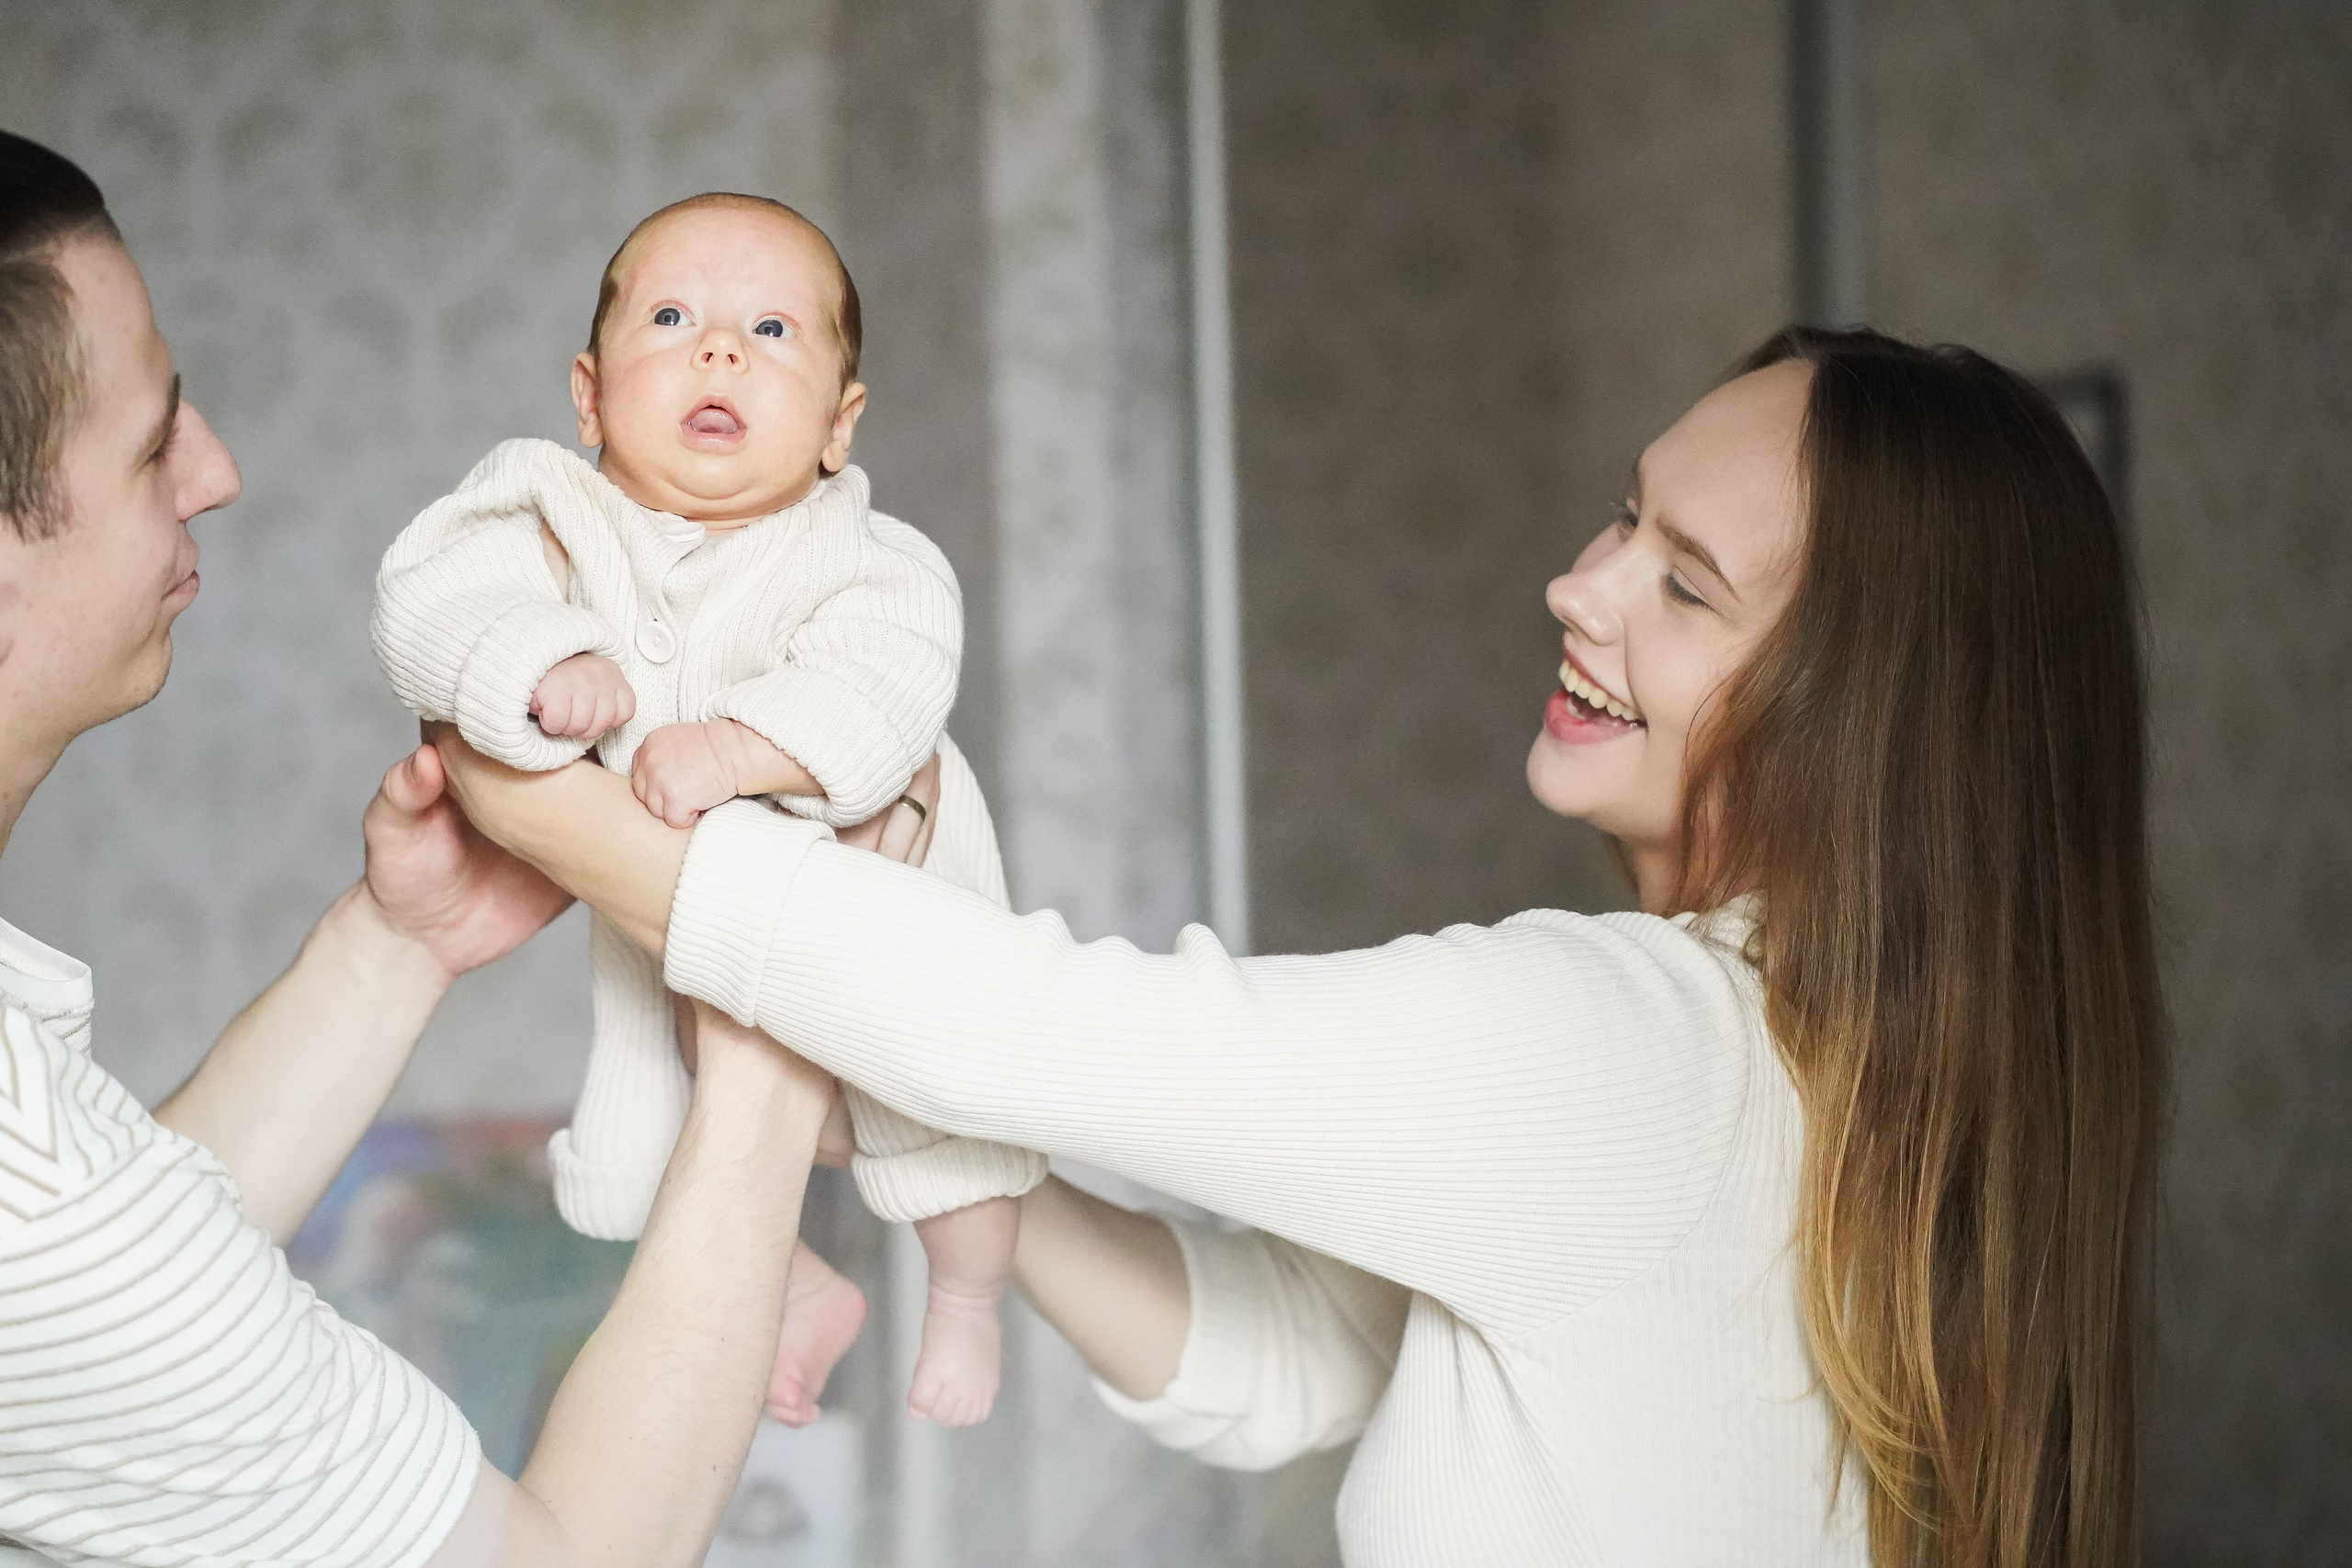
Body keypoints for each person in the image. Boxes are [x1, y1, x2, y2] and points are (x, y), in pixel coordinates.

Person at [439, 325, 2163, 1567]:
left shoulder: (1644, 1053)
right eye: (1626, 518)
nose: (1583, 587)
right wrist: (884, 1124)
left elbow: (1028, 1028)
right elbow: (1285, 1358)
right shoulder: (1819, 1069)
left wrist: (505, 751)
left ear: (1861, 720)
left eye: (1684, 586)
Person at [0, 130, 922, 1568]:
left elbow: (111, 1295)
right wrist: (771, 1057)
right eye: (153, 438)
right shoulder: (37, 1206)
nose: (219, 473)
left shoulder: (45, 1179)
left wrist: (399, 942)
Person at [371, 190, 1042, 1428]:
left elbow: (893, 671)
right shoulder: (547, 511)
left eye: (774, 330)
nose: (720, 349)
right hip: (678, 921)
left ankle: (964, 1301)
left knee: (949, 1121)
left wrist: (746, 746)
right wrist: (532, 660)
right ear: (587, 398)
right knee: (663, 1136)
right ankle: (797, 1282)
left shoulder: (868, 552)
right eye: (673, 317)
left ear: (841, 425)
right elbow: (435, 595)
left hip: (888, 885)